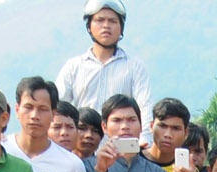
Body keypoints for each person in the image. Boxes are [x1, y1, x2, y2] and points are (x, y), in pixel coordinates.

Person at [57, 0, 153, 129]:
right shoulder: (74, 66)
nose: (106, 25)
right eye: (100, 20)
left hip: (121, 145)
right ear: (89, 26)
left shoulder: (135, 67)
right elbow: (58, 107)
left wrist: (145, 138)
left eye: (112, 21)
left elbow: (145, 106)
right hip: (83, 143)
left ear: (121, 27)